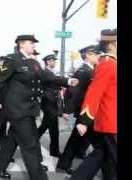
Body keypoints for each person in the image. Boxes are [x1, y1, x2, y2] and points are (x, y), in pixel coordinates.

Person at [0, 34, 79, 180]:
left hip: (29, 108)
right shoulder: (12, 59)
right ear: (21, 44)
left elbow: (46, 77)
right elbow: (0, 81)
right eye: (31, 43)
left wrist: (67, 81)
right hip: (16, 109)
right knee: (30, 145)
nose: (34, 46)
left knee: (13, 139)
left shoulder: (33, 63)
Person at [70, 29, 117, 180]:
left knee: (101, 156)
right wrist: (84, 121)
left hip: (112, 120)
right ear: (111, 45)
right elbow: (94, 93)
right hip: (110, 121)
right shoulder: (107, 65)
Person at [56, 45, 101, 175]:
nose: (98, 56)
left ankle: (65, 163)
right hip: (82, 111)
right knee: (91, 141)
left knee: (78, 138)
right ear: (88, 55)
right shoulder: (84, 71)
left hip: (86, 110)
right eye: (95, 54)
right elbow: (72, 92)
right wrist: (67, 111)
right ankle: (65, 165)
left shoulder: (91, 70)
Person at [37, 54, 76, 158]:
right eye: (53, 61)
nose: (54, 62)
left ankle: (31, 141)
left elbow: (56, 80)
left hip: (52, 103)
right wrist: (69, 81)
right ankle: (54, 151)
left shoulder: (50, 73)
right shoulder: (45, 73)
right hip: (48, 103)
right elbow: (56, 80)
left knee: (44, 126)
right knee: (53, 128)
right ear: (48, 62)